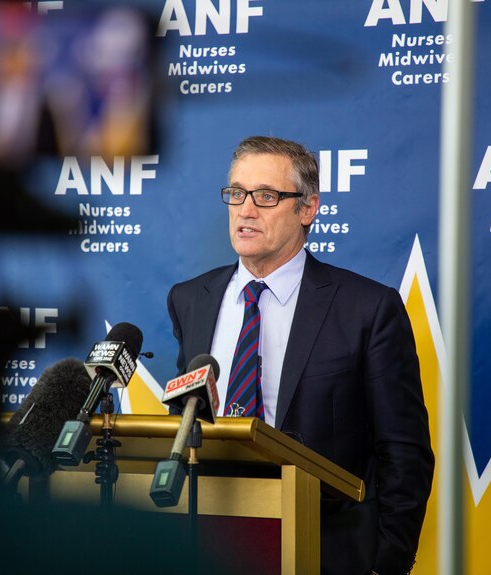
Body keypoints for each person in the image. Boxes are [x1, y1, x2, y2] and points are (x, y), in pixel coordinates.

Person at [167, 136, 434, 575]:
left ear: (307, 208)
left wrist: (386, 561)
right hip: (209, 541)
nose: (246, 210)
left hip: (326, 549)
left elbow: (404, 453)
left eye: (266, 197)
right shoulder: (191, 298)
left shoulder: (367, 309)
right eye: (236, 193)